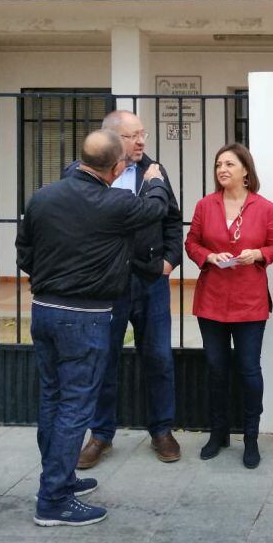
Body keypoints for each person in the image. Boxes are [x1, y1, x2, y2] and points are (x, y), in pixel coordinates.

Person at [16, 129, 170, 526]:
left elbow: (24, 253)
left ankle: (59, 479)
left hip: (44, 311)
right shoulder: (114, 202)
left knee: (52, 399)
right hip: (84, 318)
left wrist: (54, 279)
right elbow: (155, 210)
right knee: (74, 407)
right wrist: (152, 181)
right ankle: (53, 500)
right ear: (116, 167)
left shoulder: (42, 197)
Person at [77, 110, 184, 470]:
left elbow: (171, 218)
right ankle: (101, 435)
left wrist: (170, 260)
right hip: (106, 285)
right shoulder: (85, 176)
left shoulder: (154, 172)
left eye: (143, 134)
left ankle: (162, 430)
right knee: (103, 359)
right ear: (110, 140)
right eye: (132, 136)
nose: (141, 142)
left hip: (150, 281)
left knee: (158, 357)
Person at [185, 143, 273, 469]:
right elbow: (192, 243)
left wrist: (258, 254)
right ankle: (218, 433)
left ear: (245, 170)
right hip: (212, 298)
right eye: (218, 165)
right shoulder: (205, 205)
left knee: (249, 369)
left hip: (249, 300)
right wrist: (208, 256)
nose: (222, 169)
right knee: (215, 368)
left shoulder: (265, 207)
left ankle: (251, 437)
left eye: (229, 164)